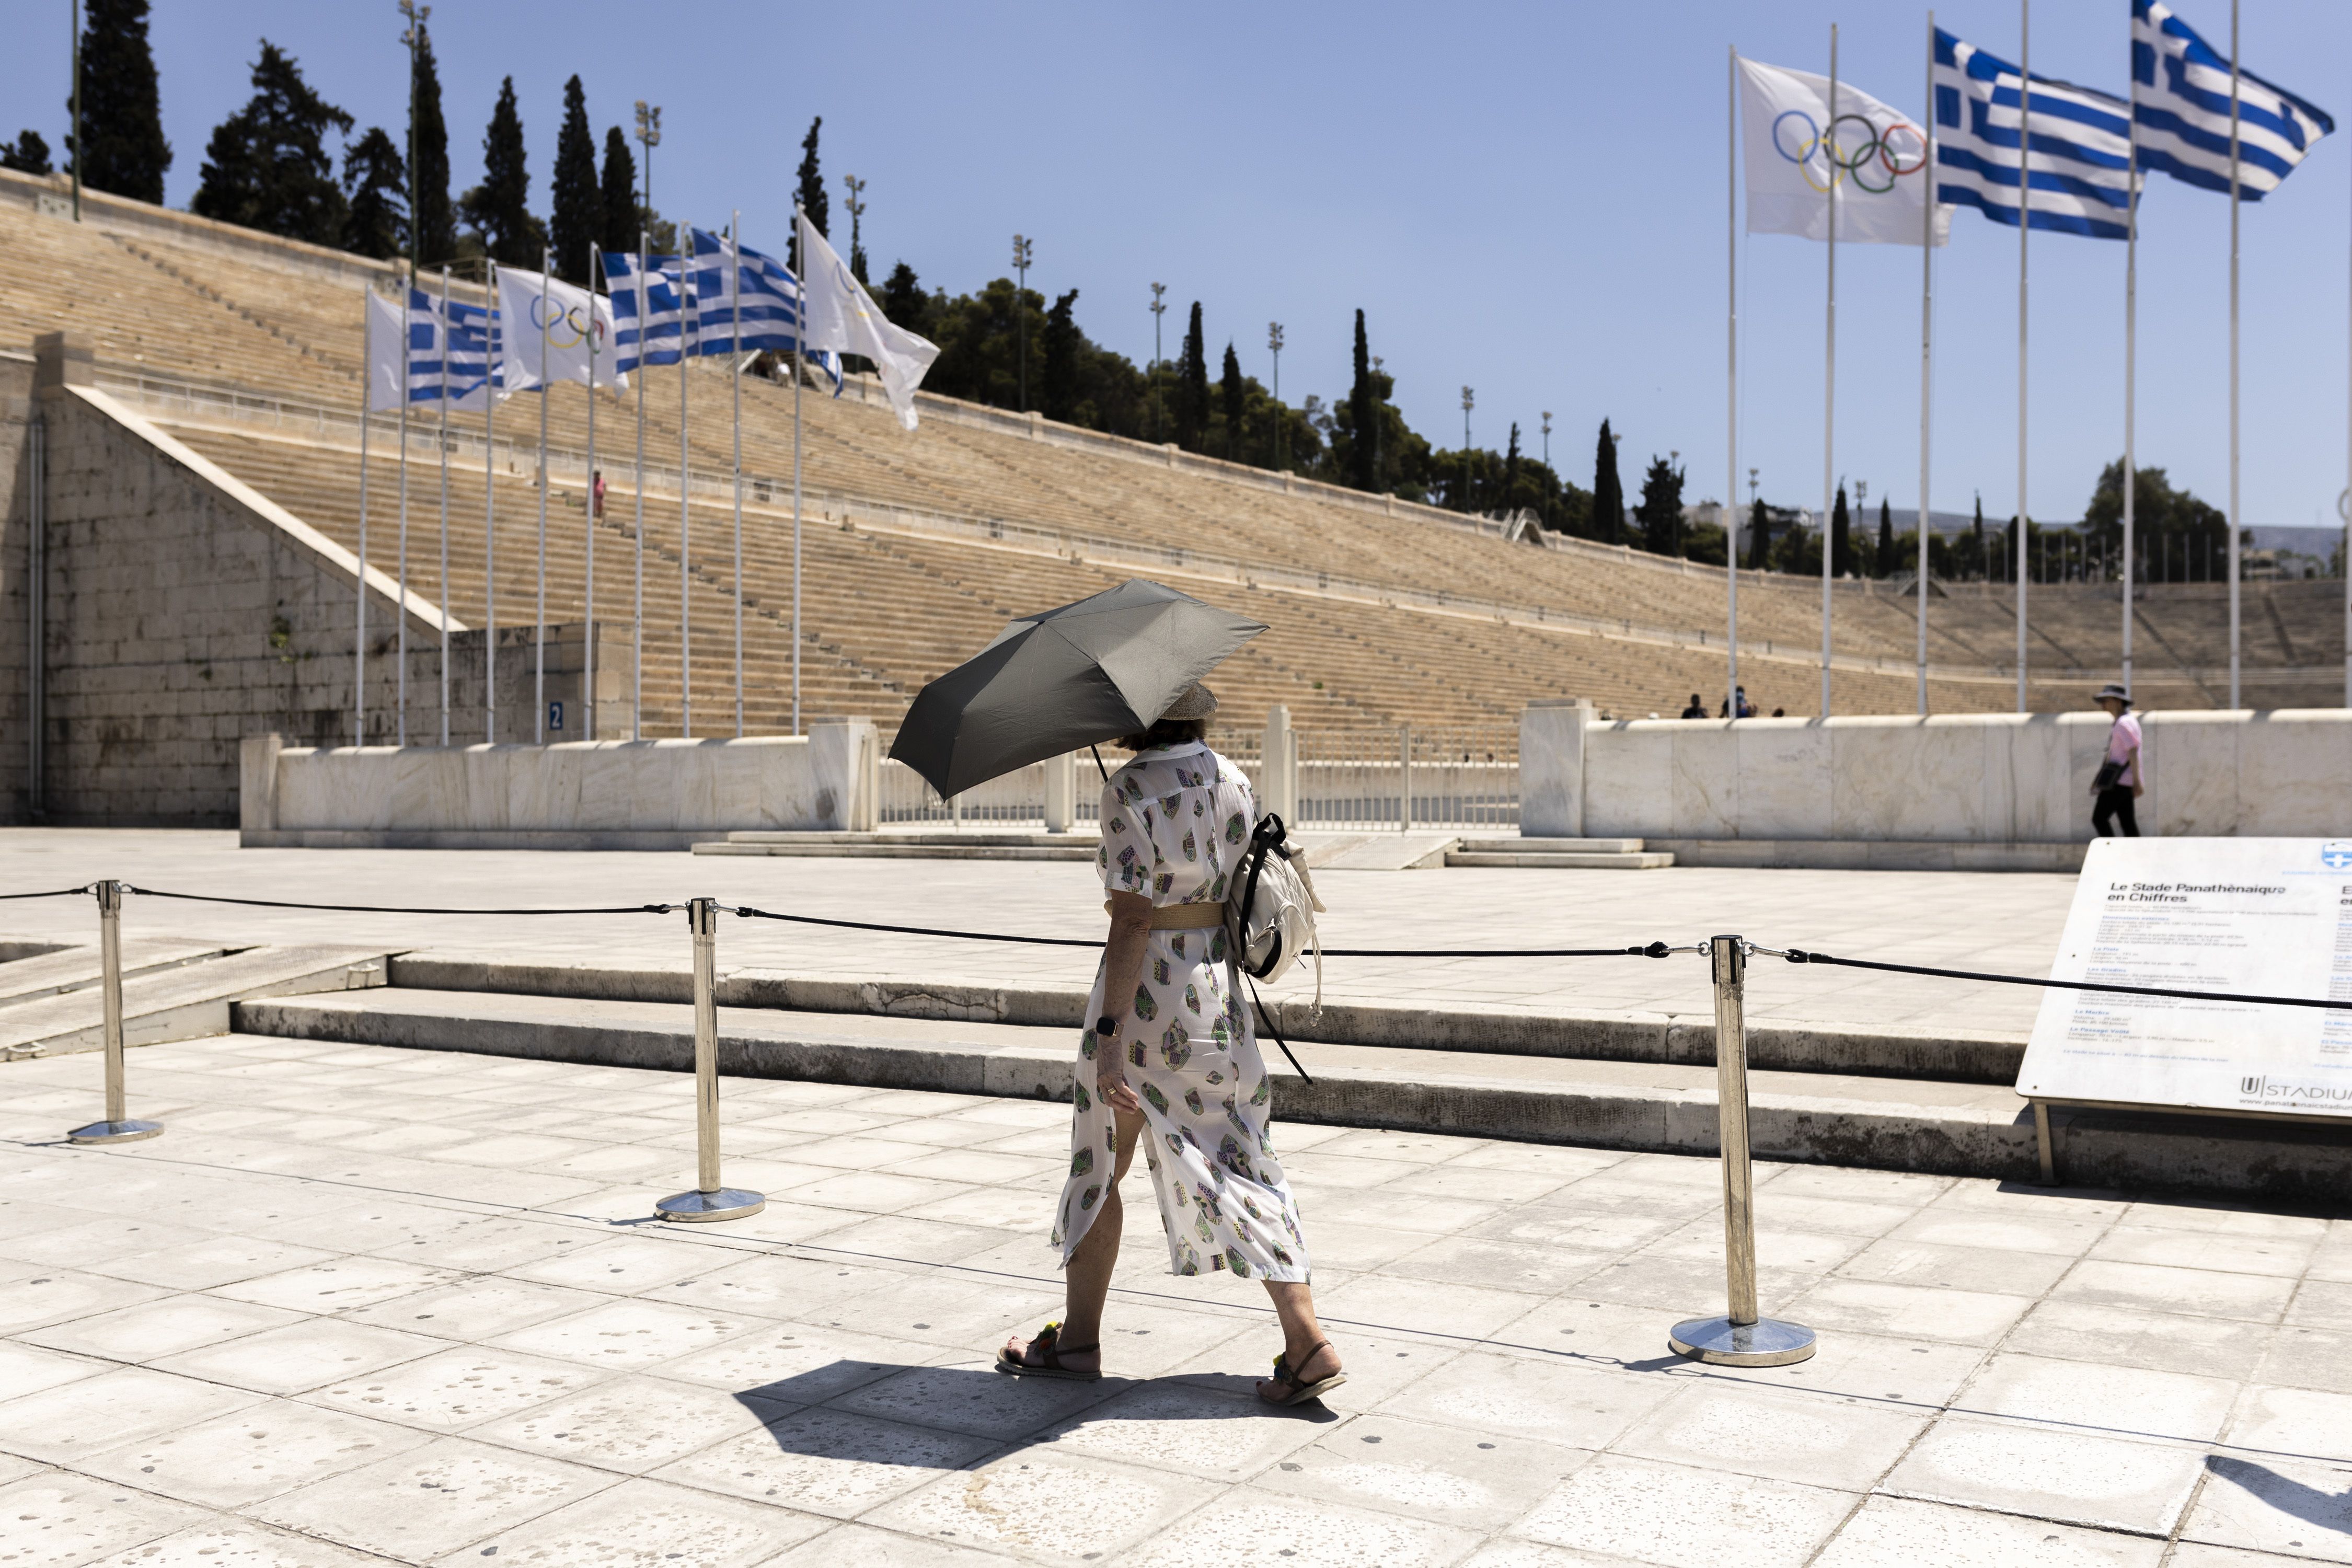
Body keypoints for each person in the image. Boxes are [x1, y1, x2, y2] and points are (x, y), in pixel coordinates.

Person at [998, 682, 1343, 1406]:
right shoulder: (1235, 778)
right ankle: (1306, 1336)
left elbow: (1131, 921)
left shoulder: (1129, 789)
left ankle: (1079, 1342)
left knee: (1102, 1161)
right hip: (1218, 997)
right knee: (1247, 1158)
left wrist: (1109, 1036)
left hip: (1148, 1001)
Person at [2092, 682, 2144, 837]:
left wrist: (2137, 782)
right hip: (2124, 781)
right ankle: (2136, 858)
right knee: (2128, 823)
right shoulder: (2127, 721)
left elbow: (2133, 751)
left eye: (2107, 700)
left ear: (2118, 702)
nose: (2103, 704)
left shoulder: (2123, 723)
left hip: (2119, 782)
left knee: (2099, 819)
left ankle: (2111, 854)